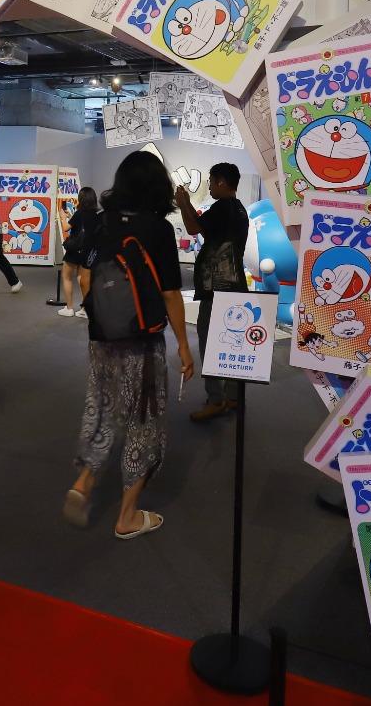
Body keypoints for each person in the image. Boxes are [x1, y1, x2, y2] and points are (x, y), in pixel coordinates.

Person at [63, 151, 195, 539]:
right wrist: (183, 346)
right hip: (142, 343)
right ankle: (127, 516)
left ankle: (83, 483)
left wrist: (103, 317)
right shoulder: (158, 229)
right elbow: (170, 294)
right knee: (144, 423)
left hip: (102, 338)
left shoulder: (101, 222)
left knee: (102, 409)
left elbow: (85, 279)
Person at [176, 162, 250, 423]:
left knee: (209, 343)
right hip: (234, 287)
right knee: (232, 344)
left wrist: (183, 203)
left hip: (216, 289)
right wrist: (187, 204)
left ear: (221, 182)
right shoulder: (238, 209)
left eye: (211, 181)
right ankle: (233, 397)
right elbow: (200, 226)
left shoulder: (222, 207)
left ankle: (216, 400)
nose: (209, 186)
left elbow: (192, 228)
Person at [58, 186, 101, 318]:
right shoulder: (96, 215)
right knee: (83, 279)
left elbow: (66, 228)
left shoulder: (79, 213)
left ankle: (69, 308)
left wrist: (63, 217)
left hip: (74, 250)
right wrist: (70, 217)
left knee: (66, 276)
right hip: (88, 252)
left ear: (81, 199)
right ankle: (85, 309)